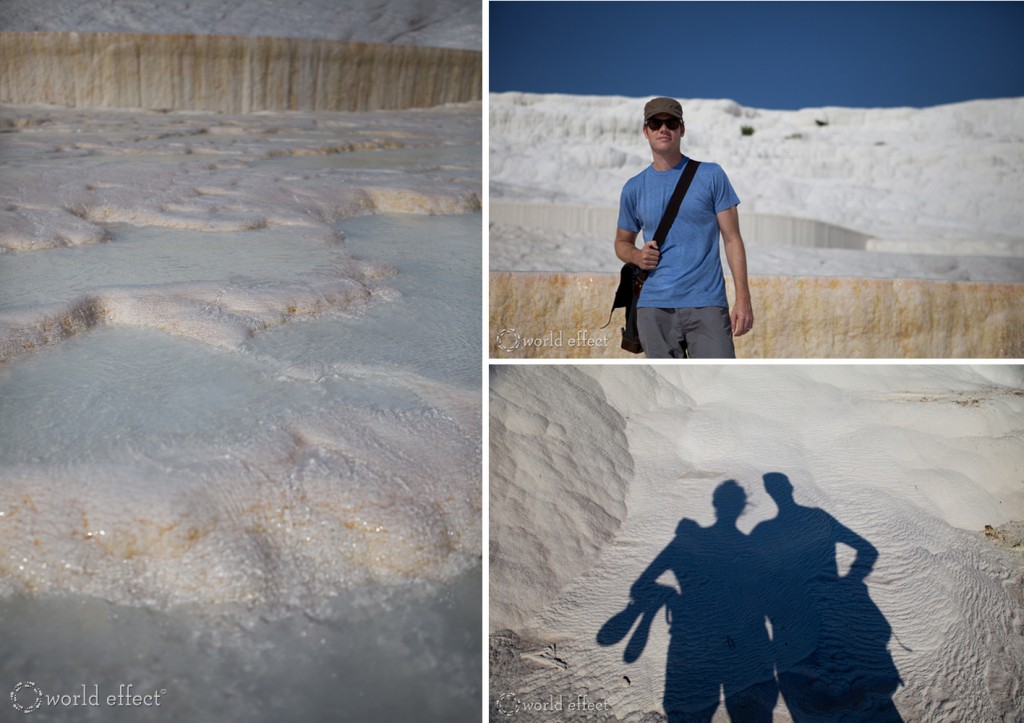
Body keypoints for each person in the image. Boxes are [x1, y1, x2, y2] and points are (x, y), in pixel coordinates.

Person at [615, 97, 754, 358]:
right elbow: (621, 243)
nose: (663, 129)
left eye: (671, 122)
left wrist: (743, 298)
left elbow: (733, 239)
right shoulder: (633, 188)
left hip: (707, 304)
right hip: (654, 308)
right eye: (655, 123)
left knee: (721, 389)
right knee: (668, 396)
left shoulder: (711, 176)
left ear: (682, 129)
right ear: (646, 131)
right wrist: (636, 255)